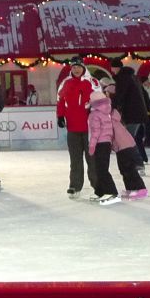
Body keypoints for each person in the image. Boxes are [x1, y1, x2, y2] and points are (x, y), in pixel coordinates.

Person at [56, 58, 96, 196]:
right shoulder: (66, 83)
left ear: (83, 68)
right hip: (72, 127)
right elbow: (60, 100)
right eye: (73, 67)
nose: (76, 70)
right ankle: (75, 186)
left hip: (90, 128)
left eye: (78, 67)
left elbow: (100, 100)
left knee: (92, 159)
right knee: (75, 159)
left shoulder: (92, 82)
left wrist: (95, 113)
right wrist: (60, 116)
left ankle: (97, 185)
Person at [85, 90, 134, 205]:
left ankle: (111, 192)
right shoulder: (106, 112)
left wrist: (91, 146)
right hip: (106, 143)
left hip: (99, 144)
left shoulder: (95, 115)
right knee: (100, 169)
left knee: (101, 170)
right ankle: (100, 192)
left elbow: (95, 132)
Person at [111, 63, 148, 165]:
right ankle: (137, 160)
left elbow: (120, 95)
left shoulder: (123, 78)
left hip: (132, 113)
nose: (112, 71)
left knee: (128, 139)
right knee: (132, 138)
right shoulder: (133, 77)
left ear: (116, 68)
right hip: (137, 112)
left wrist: (112, 105)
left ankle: (138, 163)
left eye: (112, 68)